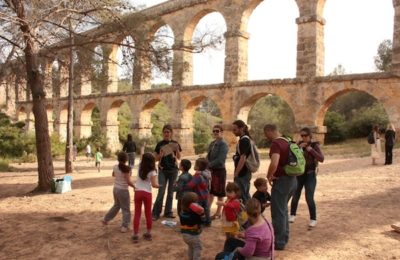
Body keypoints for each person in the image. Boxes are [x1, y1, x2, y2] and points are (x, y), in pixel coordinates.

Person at [264, 124, 297, 251]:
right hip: (292, 180)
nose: (265, 136)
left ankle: (279, 242)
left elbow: (274, 162)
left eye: (265, 133)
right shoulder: (287, 140)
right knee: (283, 210)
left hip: (282, 181)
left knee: (278, 212)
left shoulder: (276, 144)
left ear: (270, 131)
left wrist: (269, 176)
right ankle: (284, 238)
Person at [289, 127, 324, 228]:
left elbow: (321, 158)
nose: (303, 137)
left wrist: (311, 150)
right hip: (299, 175)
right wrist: (299, 148)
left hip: (310, 174)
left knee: (309, 197)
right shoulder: (298, 145)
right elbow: (292, 157)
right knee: (295, 195)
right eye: (302, 135)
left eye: (305, 135)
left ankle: (313, 219)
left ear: (310, 136)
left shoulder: (315, 145)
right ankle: (292, 214)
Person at [152, 124, 182, 221]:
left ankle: (168, 212)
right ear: (163, 133)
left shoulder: (175, 143)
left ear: (171, 133)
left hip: (173, 170)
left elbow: (179, 158)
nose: (166, 134)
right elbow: (155, 159)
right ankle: (156, 213)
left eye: (168, 132)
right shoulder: (159, 144)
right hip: (163, 170)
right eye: (165, 132)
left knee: (170, 193)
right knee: (161, 192)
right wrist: (160, 156)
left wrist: (177, 150)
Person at [102, 152, 135, 233]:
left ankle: (105, 219)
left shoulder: (115, 167)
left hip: (116, 189)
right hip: (123, 190)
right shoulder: (127, 169)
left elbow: (113, 175)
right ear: (126, 159)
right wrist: (135, 186)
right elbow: (128, 181)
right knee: (126, 209)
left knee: (116, 205)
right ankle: (125, 226)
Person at [132, 153, 160, 243]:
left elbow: (141, 155)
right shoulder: (152, 171)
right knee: (148, 214)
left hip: (138, 192)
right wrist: (160, 185)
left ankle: (135, 235)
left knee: (137, 213)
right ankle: (148, 233)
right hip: (147, 193)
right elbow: (154, 185)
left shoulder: (140, 165)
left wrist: (142, 149)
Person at [207, 125, 229, 220]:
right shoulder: (212, 143)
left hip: (219, 171)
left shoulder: (223, 144)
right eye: (214, 131)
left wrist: (209, 165)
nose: (215, 132)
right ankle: (207, 210)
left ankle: (218, 212)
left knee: (219, 192)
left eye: (217, 131)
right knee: (211, 191)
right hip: (212, 170)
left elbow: (221, 160)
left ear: (222, 132)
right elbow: (208, 156)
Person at [179, 192, 205, 260]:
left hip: (185, 235)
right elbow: (202, 221)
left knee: (191, 247)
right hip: (193, 235)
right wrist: (202, 214)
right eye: (196, 202)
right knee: (197, 248)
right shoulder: (194, 214)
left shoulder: (182, 212)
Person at [186, 158, 211, 226]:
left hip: (198, 196)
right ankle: (208, 221)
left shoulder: (197, 176)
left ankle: (200, 222)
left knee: (198, 209)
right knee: (206, 209)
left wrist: (184, 186)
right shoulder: (206, 174)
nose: (194, 165)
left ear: (198, 166)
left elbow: (191, 185)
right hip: (205, 194)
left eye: (195, 164)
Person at [232, 120, 252, 203]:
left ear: (242, 128)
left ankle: (248, 215)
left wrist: (236, 173)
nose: (233, 132)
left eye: (235, 129)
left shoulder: (244, 140)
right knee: (245, 195)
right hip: (244, 172)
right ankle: (253, 213)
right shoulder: (244, 139)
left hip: (243, 173)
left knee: (243, 196)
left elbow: (243, 158)